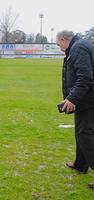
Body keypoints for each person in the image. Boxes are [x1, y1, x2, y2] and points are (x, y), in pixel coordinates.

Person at [56, 30, 94, 189]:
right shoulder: (80, 45)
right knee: (81, 131)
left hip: (88, 100)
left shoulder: (78, 48)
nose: (60, 48)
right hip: (84, 99)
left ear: (64, 40)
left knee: (84, 133)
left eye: (59, 44)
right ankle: (80, 164)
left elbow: (85, 77)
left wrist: (72, 98)